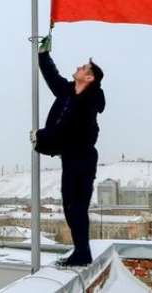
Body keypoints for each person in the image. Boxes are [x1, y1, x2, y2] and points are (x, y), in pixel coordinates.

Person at [31, 35, 105, 267]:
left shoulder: (88, 102)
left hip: (82, 158)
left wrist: (40, 136)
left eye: (83, 67)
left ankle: (82, 253)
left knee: (76, 207)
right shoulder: (68, 92)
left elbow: (67, 129)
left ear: (89, 77)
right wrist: (43, 55)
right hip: (72, 158)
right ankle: (81, 251)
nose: (78, 67)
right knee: (70, 207)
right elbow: (52, 77)